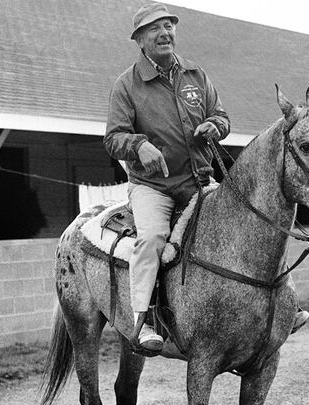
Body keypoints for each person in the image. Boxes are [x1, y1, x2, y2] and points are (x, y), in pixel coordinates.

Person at [105, 3, 253, 351]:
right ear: (140, 40)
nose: (164, 33)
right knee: (153, 238)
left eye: (169, 26)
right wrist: (138, 145)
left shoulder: (197, 76)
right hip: (153, 187)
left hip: (199, 182)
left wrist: (214, 126)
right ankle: (144, 321)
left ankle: (275, 306)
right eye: (154, 29)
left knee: (244, 224)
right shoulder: (126, 85)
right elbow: (113, 139)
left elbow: (222, 116)